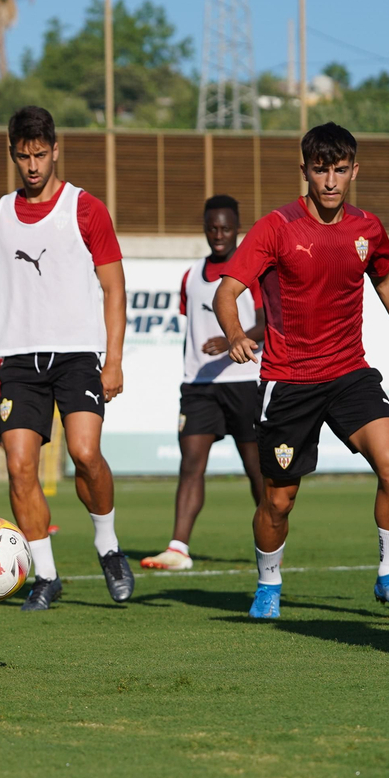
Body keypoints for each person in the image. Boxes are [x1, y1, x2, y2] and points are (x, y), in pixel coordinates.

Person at [214, 123, 389, 621]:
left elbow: (385, 281)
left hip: (349, 375)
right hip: (289, 381)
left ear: (354, 171)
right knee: (278, 501)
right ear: (305, 170)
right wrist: (236, 334)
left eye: (340, 170)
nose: (330, 181)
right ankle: (269, 583)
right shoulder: (276, 227)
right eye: (321, 169)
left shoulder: (367, 229)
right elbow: (226, 292)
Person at [0, 105, 133, 612]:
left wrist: (115, 358)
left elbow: (114, 287)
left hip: (77, 355)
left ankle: (107, 545)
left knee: (85, 454)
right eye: (24, 156)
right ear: (13, 153)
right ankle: (47, 575)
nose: (33, 165)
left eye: (41, 154)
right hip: (17, 360)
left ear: (55, 150)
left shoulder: (86, 209)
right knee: (19, 468)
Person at [141, 196, 265, 570]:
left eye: (226, 228)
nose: (219, 235)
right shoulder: (191, 276)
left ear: (237, 228)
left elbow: (266, 324)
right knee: (191, 463)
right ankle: (178, 548)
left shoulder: (252, 272)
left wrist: (231, 341)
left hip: (244, 381)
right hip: (198, 386)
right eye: (212, 228)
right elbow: (191, 327)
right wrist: (189, 366)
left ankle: (273, 536)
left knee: (255, 468)